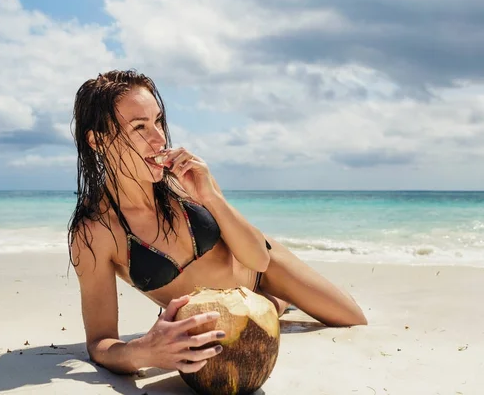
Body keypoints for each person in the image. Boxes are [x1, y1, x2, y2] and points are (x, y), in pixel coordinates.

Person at [67, 69, 367, 375]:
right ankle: (272, 305)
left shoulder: (183, 181)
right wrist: (143, 352)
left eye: (158, 121)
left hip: (262, 269)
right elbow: (101, 342)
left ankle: (274, 301)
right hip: (217, 314)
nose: (159, 138)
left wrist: (210, 197)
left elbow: (259, 259)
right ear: (98, 140)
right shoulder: (94, 233)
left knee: (352, 317)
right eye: (140, 127)